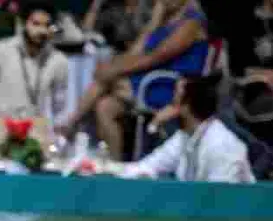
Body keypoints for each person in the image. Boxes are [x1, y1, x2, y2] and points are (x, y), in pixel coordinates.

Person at [57, 0, 209, 161]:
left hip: (170, 86)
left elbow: (156, 57)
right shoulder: (164, 23)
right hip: (148, 80)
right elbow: (134, 53)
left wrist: (116, 69)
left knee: (107, 79)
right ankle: (115, 163)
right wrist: (153, 23)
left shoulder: (191, 23)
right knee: (104, 107)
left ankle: (70, 125)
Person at [123, 75, 255, 181]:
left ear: (186, 107)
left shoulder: (221, 144)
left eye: (175, 102)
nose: (169, 107)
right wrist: (109, 168)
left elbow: (221, 200)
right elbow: (147, 166)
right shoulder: (183, 137)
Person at [0, 1, 71, 132]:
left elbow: (59, 110)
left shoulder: (58, 60)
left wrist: (59, 140)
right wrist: (0, 127)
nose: (41, 31)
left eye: (47, 25)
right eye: (36, 24)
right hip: (0, 134)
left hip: (36, 138)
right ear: (22, 24)